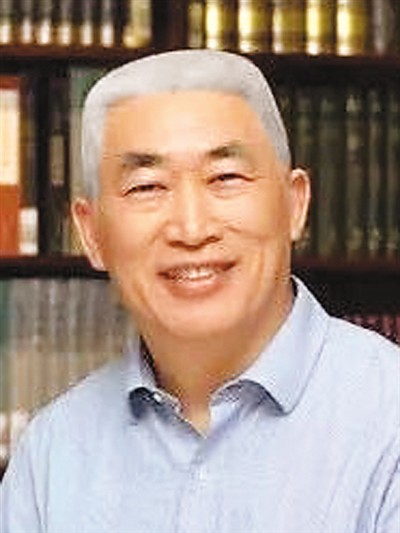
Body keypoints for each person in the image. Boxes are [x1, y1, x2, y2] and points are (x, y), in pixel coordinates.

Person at [1, 49, 399, 533]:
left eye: (226, 178)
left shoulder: (388, 416)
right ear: (92, 235)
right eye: (147, 187)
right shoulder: (51, 455)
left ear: (294, 205)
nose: (191, 229)